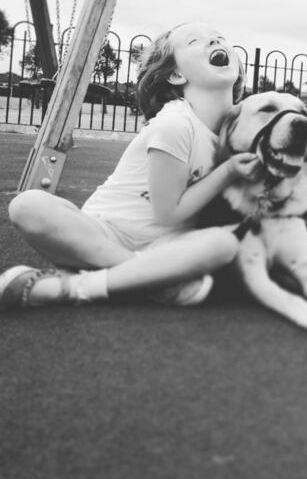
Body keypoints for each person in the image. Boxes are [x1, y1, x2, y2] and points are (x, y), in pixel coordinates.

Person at [1, 22, 260, 309]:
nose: (213, 41)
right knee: (27, 205)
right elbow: (168, 213)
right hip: (101, 234)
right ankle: (152, 278)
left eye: (219, 36)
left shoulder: (238, 131)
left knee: (222, 244)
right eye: (195, 40)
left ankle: (75, 286)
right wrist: (228, 171)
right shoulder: (175, 123)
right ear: (176, 74)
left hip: (165, 246)